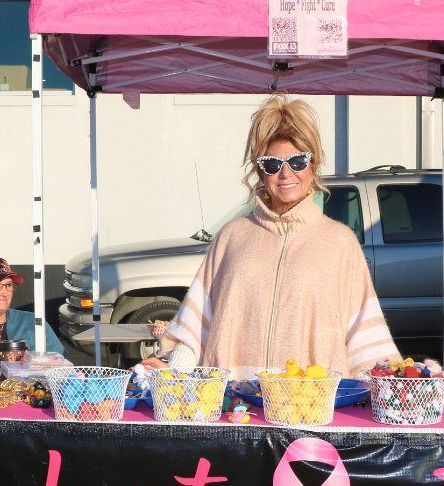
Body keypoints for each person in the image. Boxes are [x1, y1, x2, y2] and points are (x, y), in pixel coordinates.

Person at [146, 94, 400, 376]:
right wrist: (173, 369)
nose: (285, 173)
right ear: (260, 172)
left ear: (313, 165)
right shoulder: (232, 237)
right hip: (234, 404)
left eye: (298, 161)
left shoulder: (340, 243)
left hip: (309, 406)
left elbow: (364, 334)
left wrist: (396, 382)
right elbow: (198, 322)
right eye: (272, 165)